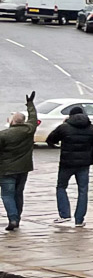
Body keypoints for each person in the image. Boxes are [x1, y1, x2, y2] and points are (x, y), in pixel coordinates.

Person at [47, 105, 93, 227]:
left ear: (70, 116)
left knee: (61, 187)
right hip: (83, 165)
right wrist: (90, 160)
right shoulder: (92, 129)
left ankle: (64, 214)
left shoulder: (64, 127)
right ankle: (79, 219)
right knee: (83, 190)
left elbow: (51, 139)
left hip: (66, 163)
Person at [0, 93, 39, 231]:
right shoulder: (29, 130)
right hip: (24, 168)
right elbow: (34, 118)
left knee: (7, 194)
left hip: (6, 170)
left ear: (12, 121)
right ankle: (18, 217)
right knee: (18, 193)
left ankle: (13, 218)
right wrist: (30, 104)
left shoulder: (3, 135)